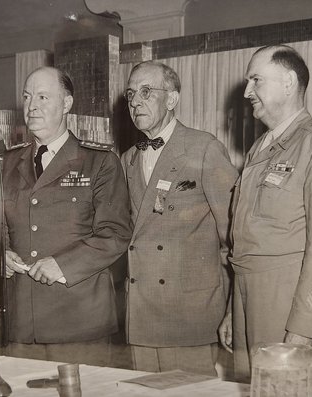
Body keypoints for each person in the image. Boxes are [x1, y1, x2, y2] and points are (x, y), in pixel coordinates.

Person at [219, 45, 312, 381]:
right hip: (246, 297)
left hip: (285, 300)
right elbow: (245, 240)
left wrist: (303, 328)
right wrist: (231, 311)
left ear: (288, 82)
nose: (247, 91)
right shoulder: (261, 148)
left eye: (256, 80)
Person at [0, 66, 132, 366]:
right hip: (21, 323)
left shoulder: (99, 162)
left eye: (42, 97)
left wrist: (61, 265)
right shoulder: (6, 163)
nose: (31, 106)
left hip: (79, 322)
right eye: (27, 97)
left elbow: (115, 233)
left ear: (66, 104)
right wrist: (2, 253)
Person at [121, 60, 238, 376]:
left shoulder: (203, 148)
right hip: (142, 314)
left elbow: (235, 240)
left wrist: (232, 310)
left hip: (189, 313)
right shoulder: (128, 160)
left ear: (172, 99)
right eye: (130, 93)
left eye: (147, 91)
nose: (135, 101)